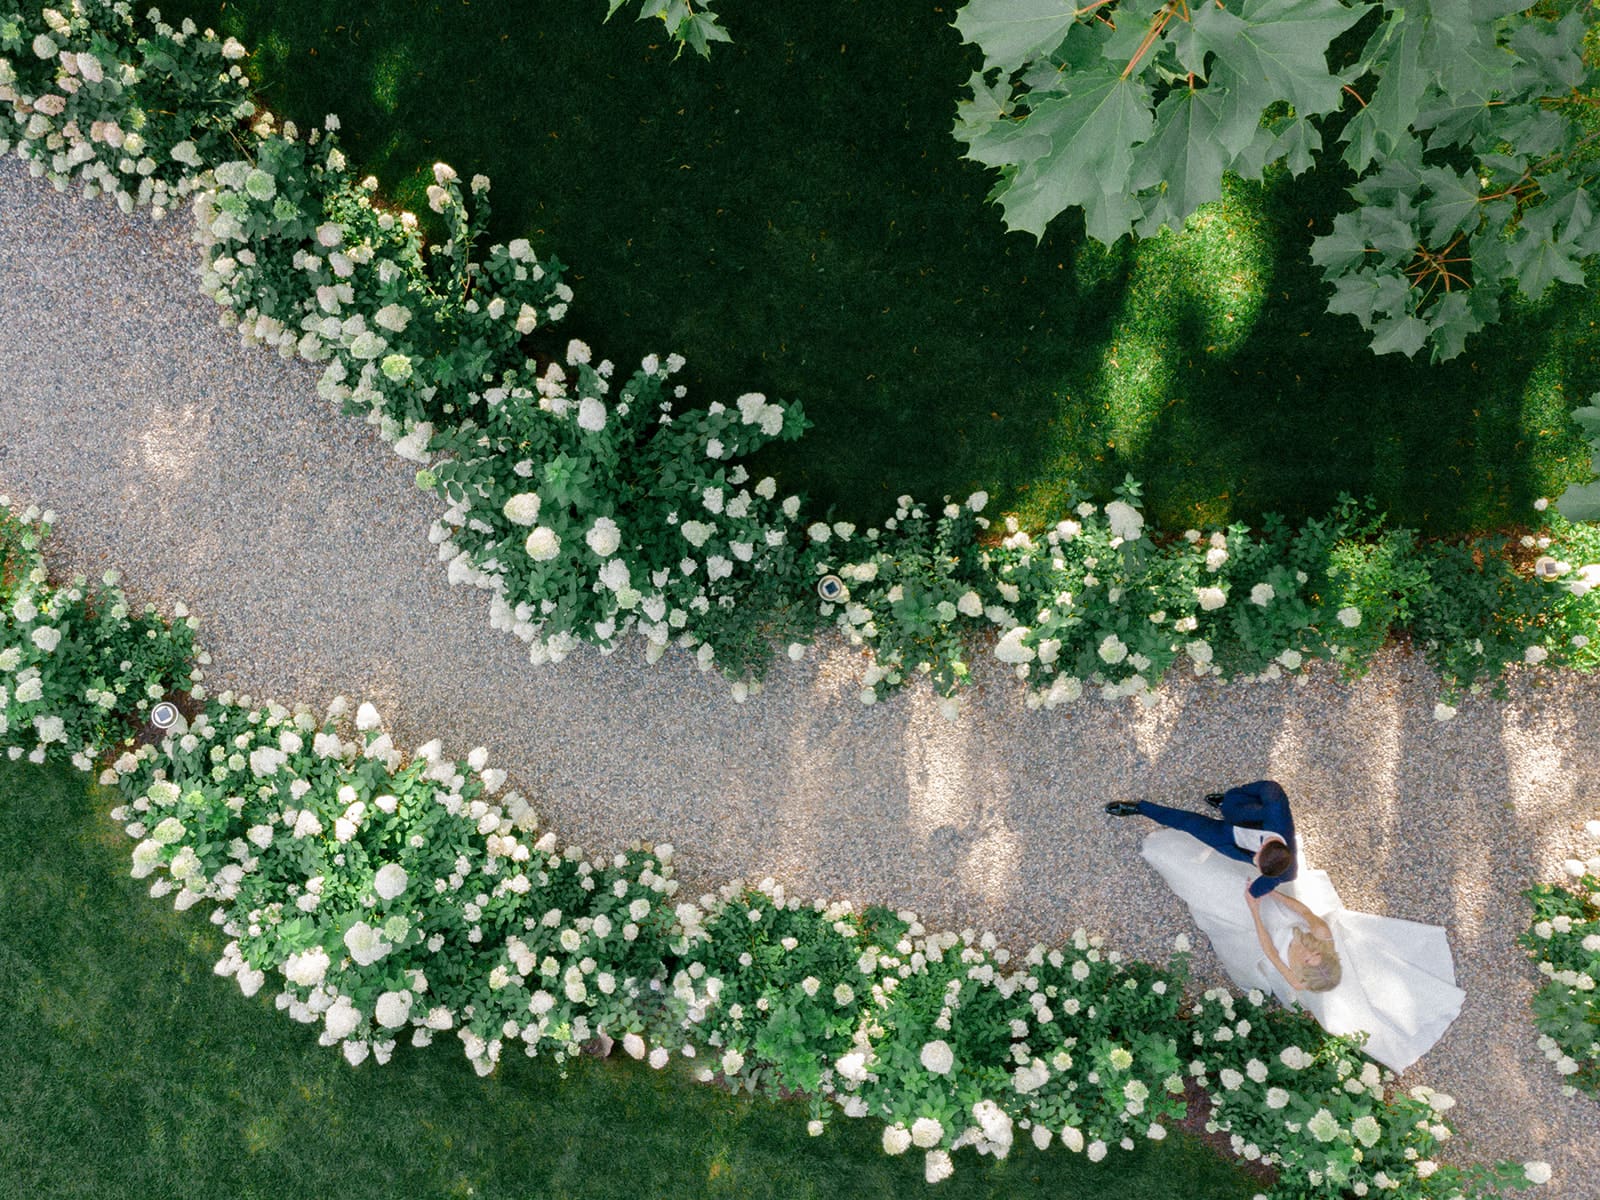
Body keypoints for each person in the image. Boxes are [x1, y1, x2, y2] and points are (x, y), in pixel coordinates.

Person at [1125, 822, 1466, 1073]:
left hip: (1263, 925)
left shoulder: (1298, 978)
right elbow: (1302, 911)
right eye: (1316, 954)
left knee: (1217, 898)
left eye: (1309, 960)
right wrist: (1268, 894)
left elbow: (1268, 948)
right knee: (1240, 879)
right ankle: (1223, 843)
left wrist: (1253, 910)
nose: (1309, 955)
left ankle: (1169, 856)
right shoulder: (1320, 933)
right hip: (1281, 911)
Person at [1105, 779, 1298, 900]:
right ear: (1264, 845)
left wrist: (1254, 892)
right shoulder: (1275, 806)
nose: (1253, 860)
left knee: (1188, 823)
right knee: (1230, 802)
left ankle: (1141, 808)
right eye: (1256, 858)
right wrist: (1238, 794)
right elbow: (1271, 787)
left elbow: (1269, 882)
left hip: (1228, 841)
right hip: (1242, 811)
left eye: (1255, 864)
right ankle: (1224, 803)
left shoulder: (1286, 872)